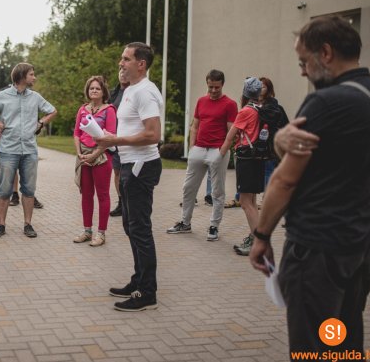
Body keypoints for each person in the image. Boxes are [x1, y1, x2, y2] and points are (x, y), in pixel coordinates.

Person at [250, 16, 370, 356]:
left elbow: (285, 179)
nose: (303, 71)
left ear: (326, 53)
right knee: (342, 342)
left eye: (304, 61)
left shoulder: (325, 103)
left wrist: (261, 236)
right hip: (358, 248)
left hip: (317, 251)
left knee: (313, 347)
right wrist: (280, 140)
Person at [95, 42, 162, 312]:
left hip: (141, 167)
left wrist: (116, 140)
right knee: (130, 226)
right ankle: (139, 280)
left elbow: (153, 134)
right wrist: (107, 141)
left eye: (126, 59)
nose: (120, 63)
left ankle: (147, 293)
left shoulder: (145, 91)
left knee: (140, 229)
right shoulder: (131, 89)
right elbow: (128, 128)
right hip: (128, 164)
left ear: (141, 64)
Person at [0, 62, 57, 239]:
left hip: (29, 150)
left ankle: (28, 224)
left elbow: (52, 111)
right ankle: (1, 225)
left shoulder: (35, 97)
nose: (34, 77)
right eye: (32, 74)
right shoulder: (2, 96)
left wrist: (41, 122)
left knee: (29, 189)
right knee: (5, 189)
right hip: (8, 150)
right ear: (21, 76)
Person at [167, 69, 237, 241]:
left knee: (217, 192)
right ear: (207, 83)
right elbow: (195, 126)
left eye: (217, 87)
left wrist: (222, 152)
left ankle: (214, 226)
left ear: (222, 85)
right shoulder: (201, 101)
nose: (213, 90)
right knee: (188, 187)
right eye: (210, 87)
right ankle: (185, 223)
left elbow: (232, 131)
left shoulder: (230, 104)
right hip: (198, 149)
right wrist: (192, 148)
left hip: (217, 151)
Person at [218, 77, 265, 256]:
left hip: (247, 160)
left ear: (245, 93)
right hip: (258, 158)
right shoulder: (261, 109)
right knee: (251, 201)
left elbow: (230, 136)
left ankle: (257, 243)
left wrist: (219, 157)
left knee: (245, 202)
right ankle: (256, 237)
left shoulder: (246, 111)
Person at [72, 76, 116, 247]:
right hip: (83, 155)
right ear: (88, 91)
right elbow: (77, 133)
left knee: (103, 195)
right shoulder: (82, 109)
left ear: (103, 91)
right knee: (86, 195)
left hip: (101, 157)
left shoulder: (109, 110)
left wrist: (94, 155)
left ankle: (101, 233)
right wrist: (79, 153)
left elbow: (111, 137)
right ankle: (87, 231)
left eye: (98, 88)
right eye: (91, 88)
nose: (94, 91)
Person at [257, 76, 289, 188]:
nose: (260, 89)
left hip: (270, 145)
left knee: (268, 170)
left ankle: (268, 196)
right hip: (254, 145)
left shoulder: (275, 107)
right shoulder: (252, 105)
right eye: (258, 86)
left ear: (269, 89)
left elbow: (285, 126)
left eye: (263, 87)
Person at [108, 72, 129, 217]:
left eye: (125, 71)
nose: (122, 74)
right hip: (114, 139)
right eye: (120, 71)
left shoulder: (133, 92)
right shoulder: (113, 93)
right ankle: (121, 203)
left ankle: (129, 202)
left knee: (127, 173)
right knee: (117, 172)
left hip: (128, 139)